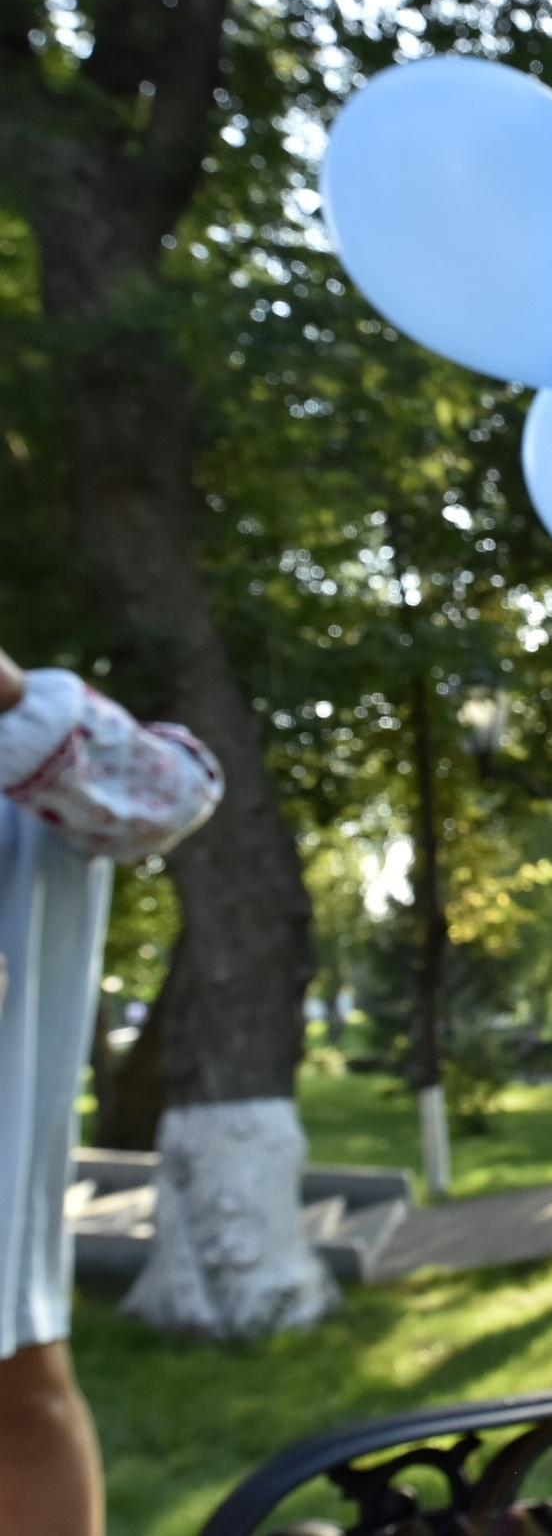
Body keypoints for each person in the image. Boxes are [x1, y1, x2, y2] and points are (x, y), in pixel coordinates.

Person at [0, 644, 223, 1535]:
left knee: (24, 1403)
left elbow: (175, 795)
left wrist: (13, 691)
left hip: (7, 1137)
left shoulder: (36, 733)